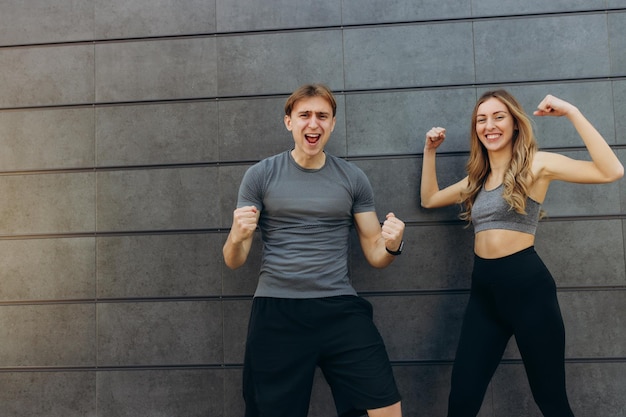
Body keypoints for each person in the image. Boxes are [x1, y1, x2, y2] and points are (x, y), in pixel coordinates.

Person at [420, 89, 624, 417]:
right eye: (481, 119)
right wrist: (430, 151)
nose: (489, 125)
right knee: (462, 398)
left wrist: (572, 111)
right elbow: (430, 198)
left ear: (515, 123)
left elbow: (611, 171)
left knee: (551, 400)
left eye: (498, 117)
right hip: (484, 294)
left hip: (528, 291)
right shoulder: (478, 178)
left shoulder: (537, 165)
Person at [223, 83, 405, 417]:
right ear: (288, 121)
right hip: (277, 310)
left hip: (339, 308)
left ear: (333, 123)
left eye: (322, 115)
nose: (313, 123)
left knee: (385, 409)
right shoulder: (260, 176)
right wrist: (236, 236)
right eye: (304, 114)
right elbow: (234, 261)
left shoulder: (353, 178)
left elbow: (376, 254)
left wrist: (392, 245)